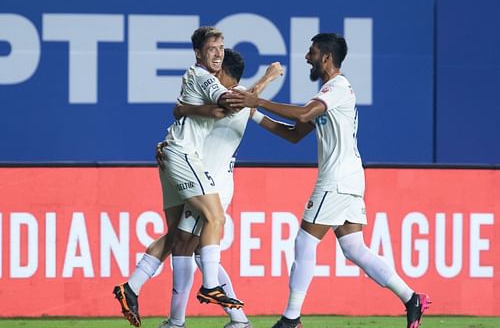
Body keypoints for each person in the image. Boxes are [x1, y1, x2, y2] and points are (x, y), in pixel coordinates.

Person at [224, 33, 431, 328]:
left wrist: (256, 99)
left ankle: (291, 319)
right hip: (350, 179)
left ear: (326, 58)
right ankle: (412, 298)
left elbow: (305, 113)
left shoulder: (337, 88)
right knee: (354, 249)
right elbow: (294, 134)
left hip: (336, 179)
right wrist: (252, 112)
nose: (307, 57)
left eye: (312, 52)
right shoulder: (326, 95)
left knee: (304, 242)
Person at [113, 26, 242, 327]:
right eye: (212, 48)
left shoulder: (193, 78)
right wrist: (266, 81)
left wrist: (182, 108)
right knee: (216, 218)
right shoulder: (205, 78)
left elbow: (210, 111)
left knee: (175, 237)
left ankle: (130, 288)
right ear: (198, 52)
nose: (218, 52)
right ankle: (211, 287)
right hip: (183, 156)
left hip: (171, 153)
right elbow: (228, 105)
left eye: (221, 47)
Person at [156, 49, 283, 328]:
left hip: (207, 184)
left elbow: (235, 102)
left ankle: (176, 322)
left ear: (224, 73)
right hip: (214, 183)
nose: (211, 75)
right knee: (199, 252)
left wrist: (267, 78)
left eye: (216, 70)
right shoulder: (241, 102)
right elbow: (266, 120)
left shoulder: (234, 99)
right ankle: (238, 319)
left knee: (182, 245)